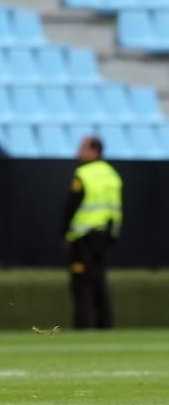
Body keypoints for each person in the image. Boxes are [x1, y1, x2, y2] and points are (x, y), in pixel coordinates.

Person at [63, 137, 122, 330]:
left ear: (94, 151)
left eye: (82, 148)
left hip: (83, 237)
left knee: (82, 284)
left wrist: (66, 234)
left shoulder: (83, 174)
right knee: (100, 282)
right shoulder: (112, 175)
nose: (78, 153)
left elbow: (71, 206)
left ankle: (82, 326)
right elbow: (116, 209)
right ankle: (105, 325)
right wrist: (112, 236)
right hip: (104, 237)